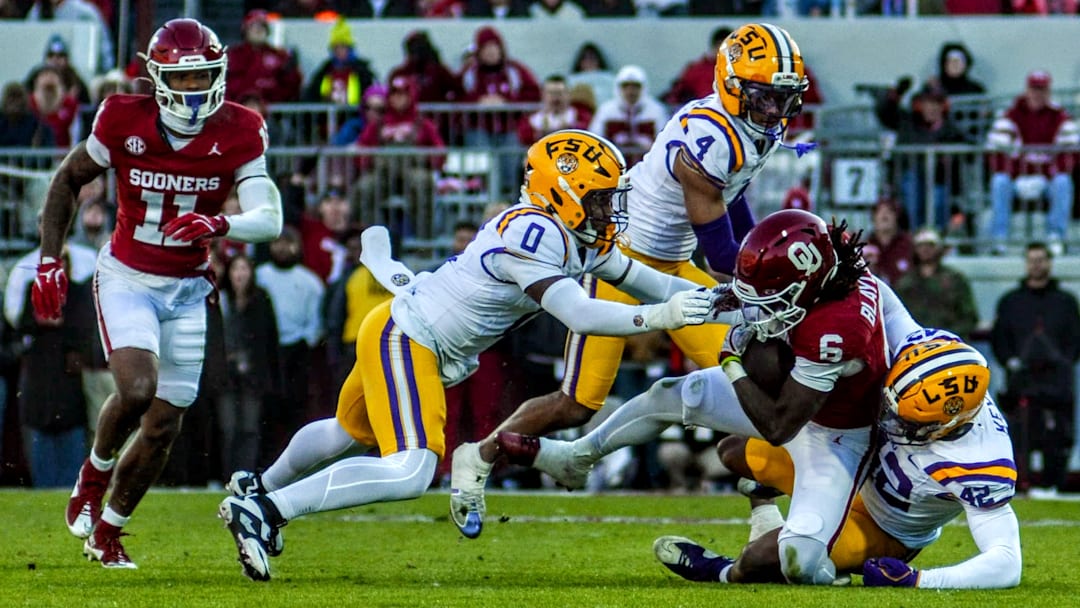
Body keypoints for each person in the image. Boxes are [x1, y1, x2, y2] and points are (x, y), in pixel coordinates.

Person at [217, 130, 718, 581]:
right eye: (601, 199)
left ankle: (258, 487)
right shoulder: (532, 232)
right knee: (411, 469)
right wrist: (663, 316)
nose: (610, 211)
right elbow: (581, 314)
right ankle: (267, 510)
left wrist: (723, 298)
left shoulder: (577, 237)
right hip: (409, 337)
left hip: (407, 331)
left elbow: (650, 281)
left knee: (344, 432)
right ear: (563, 195)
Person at [450, 22, 813, 540]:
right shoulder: (710, 137)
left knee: (758, 385)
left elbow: (733, 199)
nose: (776, 110)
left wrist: (758, 260)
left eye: (783, 98)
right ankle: (479, 457)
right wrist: (770, 279)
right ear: (733, 86)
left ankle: (763, 513)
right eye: (765, 97)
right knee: (577, 403)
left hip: (674, 264)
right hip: (622, 263)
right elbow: (720, 250)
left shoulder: (752, 128)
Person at [498, 208, 888, 586]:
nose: (754, 308)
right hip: (794, 397)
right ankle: (577, 458)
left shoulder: (838, 327)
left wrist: (732, 363)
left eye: (768, 297)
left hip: (835, 434)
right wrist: (614, 266)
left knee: (800, 563)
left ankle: (732, 569)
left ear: (806, 287)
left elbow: (778, 426)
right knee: (673, 394)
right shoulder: (816, 283)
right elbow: (683, 292)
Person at [34, 18, 284, 569]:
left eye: (203, 77)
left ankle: (108, 532)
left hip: (189, 289)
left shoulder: (241, 127)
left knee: (164, 425)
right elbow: (69, 177)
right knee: (138, 388)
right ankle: (93, 473)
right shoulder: (123, 117)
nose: (194, 89)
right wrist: (50, 257)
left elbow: (269, 217)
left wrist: (220, 224)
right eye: (183, 78)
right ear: (157, 78)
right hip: (128, 276)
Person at [655, 332, 1022, 589]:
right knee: (733, 452)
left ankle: (721, 571)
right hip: (850, 469)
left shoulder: (981, 465)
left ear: (946, 423)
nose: (890, 419)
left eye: (906, 420)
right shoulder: (925, 358)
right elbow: (882, 296)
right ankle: (769, 516)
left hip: (883, 527)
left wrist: (919, 581)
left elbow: (1007, 564)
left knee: (762, 558)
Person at [991, 241, 1080, 497]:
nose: (1037, 265)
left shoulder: (1066, 302)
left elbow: (1075, 338)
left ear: (1049, 263)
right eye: (1032, 260)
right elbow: (1000, 337)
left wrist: (1065, 361)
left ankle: (1054, 485)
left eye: (1041, 259)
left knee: (1058, 432)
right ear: (1026, 263)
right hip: (1022, 380)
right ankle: (1019, 484)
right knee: (1020, 433)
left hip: (1056, 381)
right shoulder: (1011, 301)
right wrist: (1010, 361)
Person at [986, 70, 1078, 256]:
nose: (1038, 94)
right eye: (1034, 89)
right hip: (1017, 179)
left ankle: (1056, 236)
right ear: (1027, 90)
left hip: (1047, 179)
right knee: (999, 181)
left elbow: (1070, 154)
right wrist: (1017, 174)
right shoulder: (1009, 116)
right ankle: (999, 239)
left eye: (1042, 89)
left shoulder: (1061, 117)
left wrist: (1046, 174)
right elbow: (996, 152)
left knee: (1063, 182)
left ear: (1049, 91)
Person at [874, 80, 969, 233]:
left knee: (939, 200)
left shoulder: (952, 130)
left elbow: (969, 149)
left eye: (937, 103)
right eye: (928, 103)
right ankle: (916, 235)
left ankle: (935, 237)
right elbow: (884, 113)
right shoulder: (907, 121)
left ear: (943, 106)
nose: (932, 108)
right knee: (913, 190)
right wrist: (895, 93)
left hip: (940, 181)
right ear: (920, 105)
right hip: (909, 177)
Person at [893, 227, 979, 340]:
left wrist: (948, 336)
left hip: (950, 342)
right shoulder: (905, 283)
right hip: (915, 343)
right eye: (920, 245)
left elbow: (969, 316)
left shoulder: (956, 279)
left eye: (930, 245)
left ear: (939, 248)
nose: (925, 249)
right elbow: (897, 318)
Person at [588, 65, 669, 166]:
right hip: (612, 165)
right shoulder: (606, 111)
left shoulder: (656, 111)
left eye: (635, 87)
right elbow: (594, 140)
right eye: (625, 86)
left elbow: (665, 143)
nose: (630, 91)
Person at [226, 10, 302, 104]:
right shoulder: (233, 55)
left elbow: (291, 88)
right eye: (253, 26)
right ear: (245, 30)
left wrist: (292, 72)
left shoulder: (280, 56)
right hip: (239, 107)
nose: (258, 30)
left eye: (262, 26)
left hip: (273, 109)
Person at [301, 17, 376, 108]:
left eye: (343, 47)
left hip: (354, 114)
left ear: (350, 49)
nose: (339, 51)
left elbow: (368, 94)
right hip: (328, 114)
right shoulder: (325, 70)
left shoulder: (362, 72)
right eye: (336, 47)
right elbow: (313, 93)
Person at [662, 26, 730, 107]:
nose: (724, 51)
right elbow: (676, 94)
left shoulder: (737, 70)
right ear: (714, 46)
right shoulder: (696, 69)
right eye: (721, 46)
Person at [517, 74, 590, 145]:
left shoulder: (580, 115)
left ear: (568, 94)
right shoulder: (532, 120)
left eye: (560, 93)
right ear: (543, 94)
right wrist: (540, 134)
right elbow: (524, 138)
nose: (555, 97)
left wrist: (570, 128)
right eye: (551, 93)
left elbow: (587, 131)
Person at [865, 198, 912, 285]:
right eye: (880, 211)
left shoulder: (909, 244)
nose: (884, 215)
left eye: (890, 211)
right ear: (873, 218)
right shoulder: (864, 245)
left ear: (897, 217)